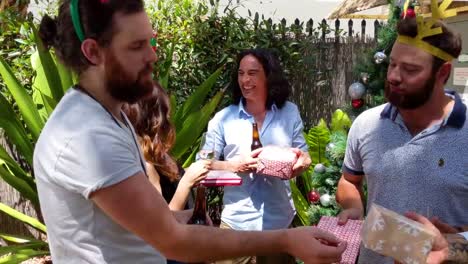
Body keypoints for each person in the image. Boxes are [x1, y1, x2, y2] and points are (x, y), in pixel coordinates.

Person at [33, 0, 346, 263]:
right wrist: (287, 241)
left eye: (150, 42)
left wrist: (187, 218)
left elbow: (152, 222)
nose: (153, 55)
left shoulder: (111, 116)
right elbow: (174, 241)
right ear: (93, 52)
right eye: (138, 46)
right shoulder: (87, 136)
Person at [335, 3, 468, 264]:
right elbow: (349, 179)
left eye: (410, 70)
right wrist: (353, 206)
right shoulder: (367, 124)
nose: (394, 76)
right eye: (392, 64)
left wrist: (453, 248)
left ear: (442, 74)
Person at [201, 48, 312, 264]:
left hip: (278, 227)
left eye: (252, 73)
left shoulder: (289, 113)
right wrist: (234, 165)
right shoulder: (223, 119)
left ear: (268, 76)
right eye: (241, 73)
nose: (245, 80)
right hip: (236, 226)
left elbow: (304, 155)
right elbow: (202, 166)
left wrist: (302, 162)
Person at [123, 85, 209, 211]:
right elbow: (163, 219)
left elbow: (172, 180)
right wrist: (187, 182)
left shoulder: (158, 153)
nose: (169, 118)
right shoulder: (146, 165)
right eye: (166, 113)